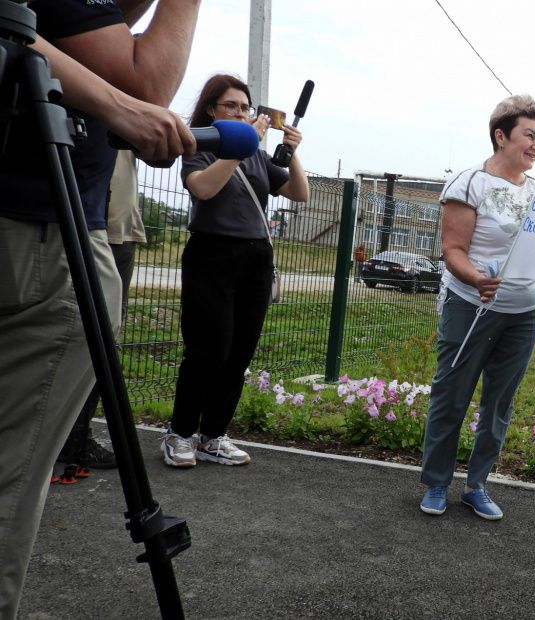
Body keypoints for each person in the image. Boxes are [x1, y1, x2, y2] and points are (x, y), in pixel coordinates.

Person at [0, 0, 200, 616]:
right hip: (38, 227)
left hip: (44, 229)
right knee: (8, 480)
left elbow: (85, 18)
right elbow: (145, 79)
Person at [418, 94, 535, 520]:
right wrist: (476, 279)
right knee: (452, 394)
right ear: (500, 136)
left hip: (525, 312)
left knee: (499, 402)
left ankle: (476, 484)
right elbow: (452, 249)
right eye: (529, 135)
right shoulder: (470, 183)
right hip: (471, 306)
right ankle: (435, 483)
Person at [161, 74, 310, 468]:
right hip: (212, 254)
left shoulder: (260, 157)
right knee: (208, 349)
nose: (242, 113)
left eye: (246, 107)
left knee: (239, 352)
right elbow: (204, 189)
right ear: (212, 109)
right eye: (232, 106)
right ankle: (179, 434)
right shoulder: (201, 145)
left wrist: (290, 152)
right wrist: (238, 149)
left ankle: (214, 435)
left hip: (255, 258)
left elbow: (299, 193)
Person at [56, 150, 145, 473]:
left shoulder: (130, 107)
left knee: (103, 341)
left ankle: (75, 436)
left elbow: (157, 152)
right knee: (75, 336)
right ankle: (68, 437)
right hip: (82, 224)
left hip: (118, 230)